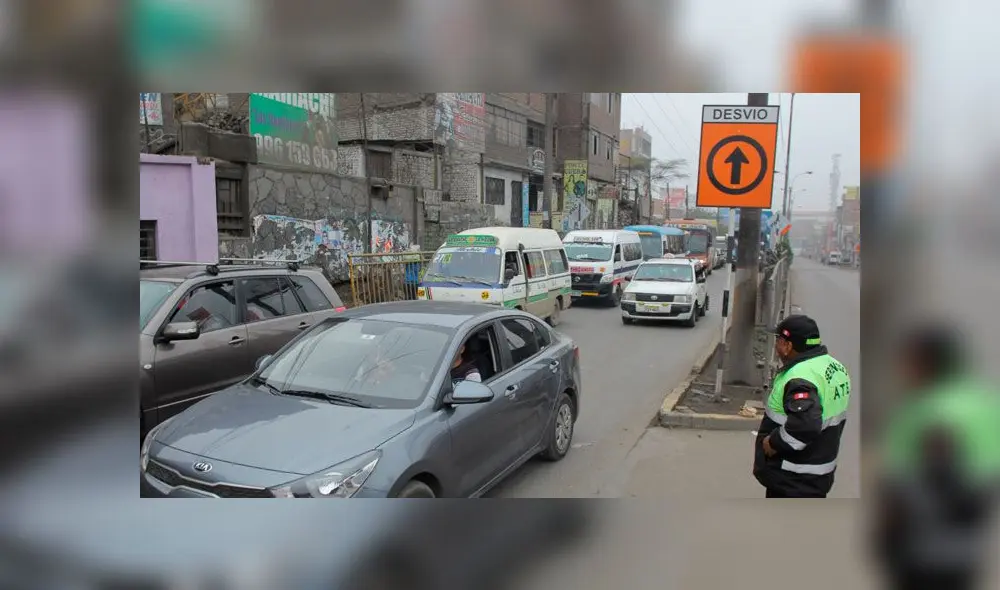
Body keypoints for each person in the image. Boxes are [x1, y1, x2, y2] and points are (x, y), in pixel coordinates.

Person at [875, 325, 1000, 590]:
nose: (902, 370)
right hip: (966, 543)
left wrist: (890, 532)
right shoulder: (980, 400)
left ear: (928, 363)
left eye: (909, 361)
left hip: (925, 545)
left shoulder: (933, 409)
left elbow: (936, 480)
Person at [753, 314, 852, 498]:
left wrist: (772, 443)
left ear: (788, 346)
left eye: (779, 340)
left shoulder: (800, 377)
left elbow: (806, 424)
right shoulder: (834, 367)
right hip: (819, 474)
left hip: (792, 479)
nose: (776, 346)